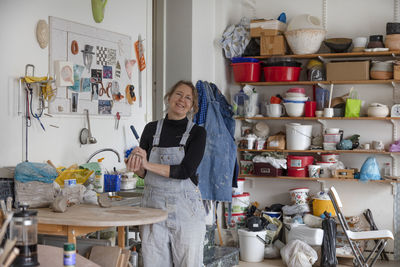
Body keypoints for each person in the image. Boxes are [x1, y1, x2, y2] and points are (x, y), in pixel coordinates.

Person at [126, 80, 207, 267]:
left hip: (186, 210)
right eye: (178, 94)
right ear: (169, 97)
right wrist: (136, 165)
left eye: (188, 98)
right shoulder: (151, 129)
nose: (182, 100)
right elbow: (145, 174)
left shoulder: (198, 133)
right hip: (153, 207)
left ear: (192, 106)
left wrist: (147, 164)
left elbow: (184, 171)